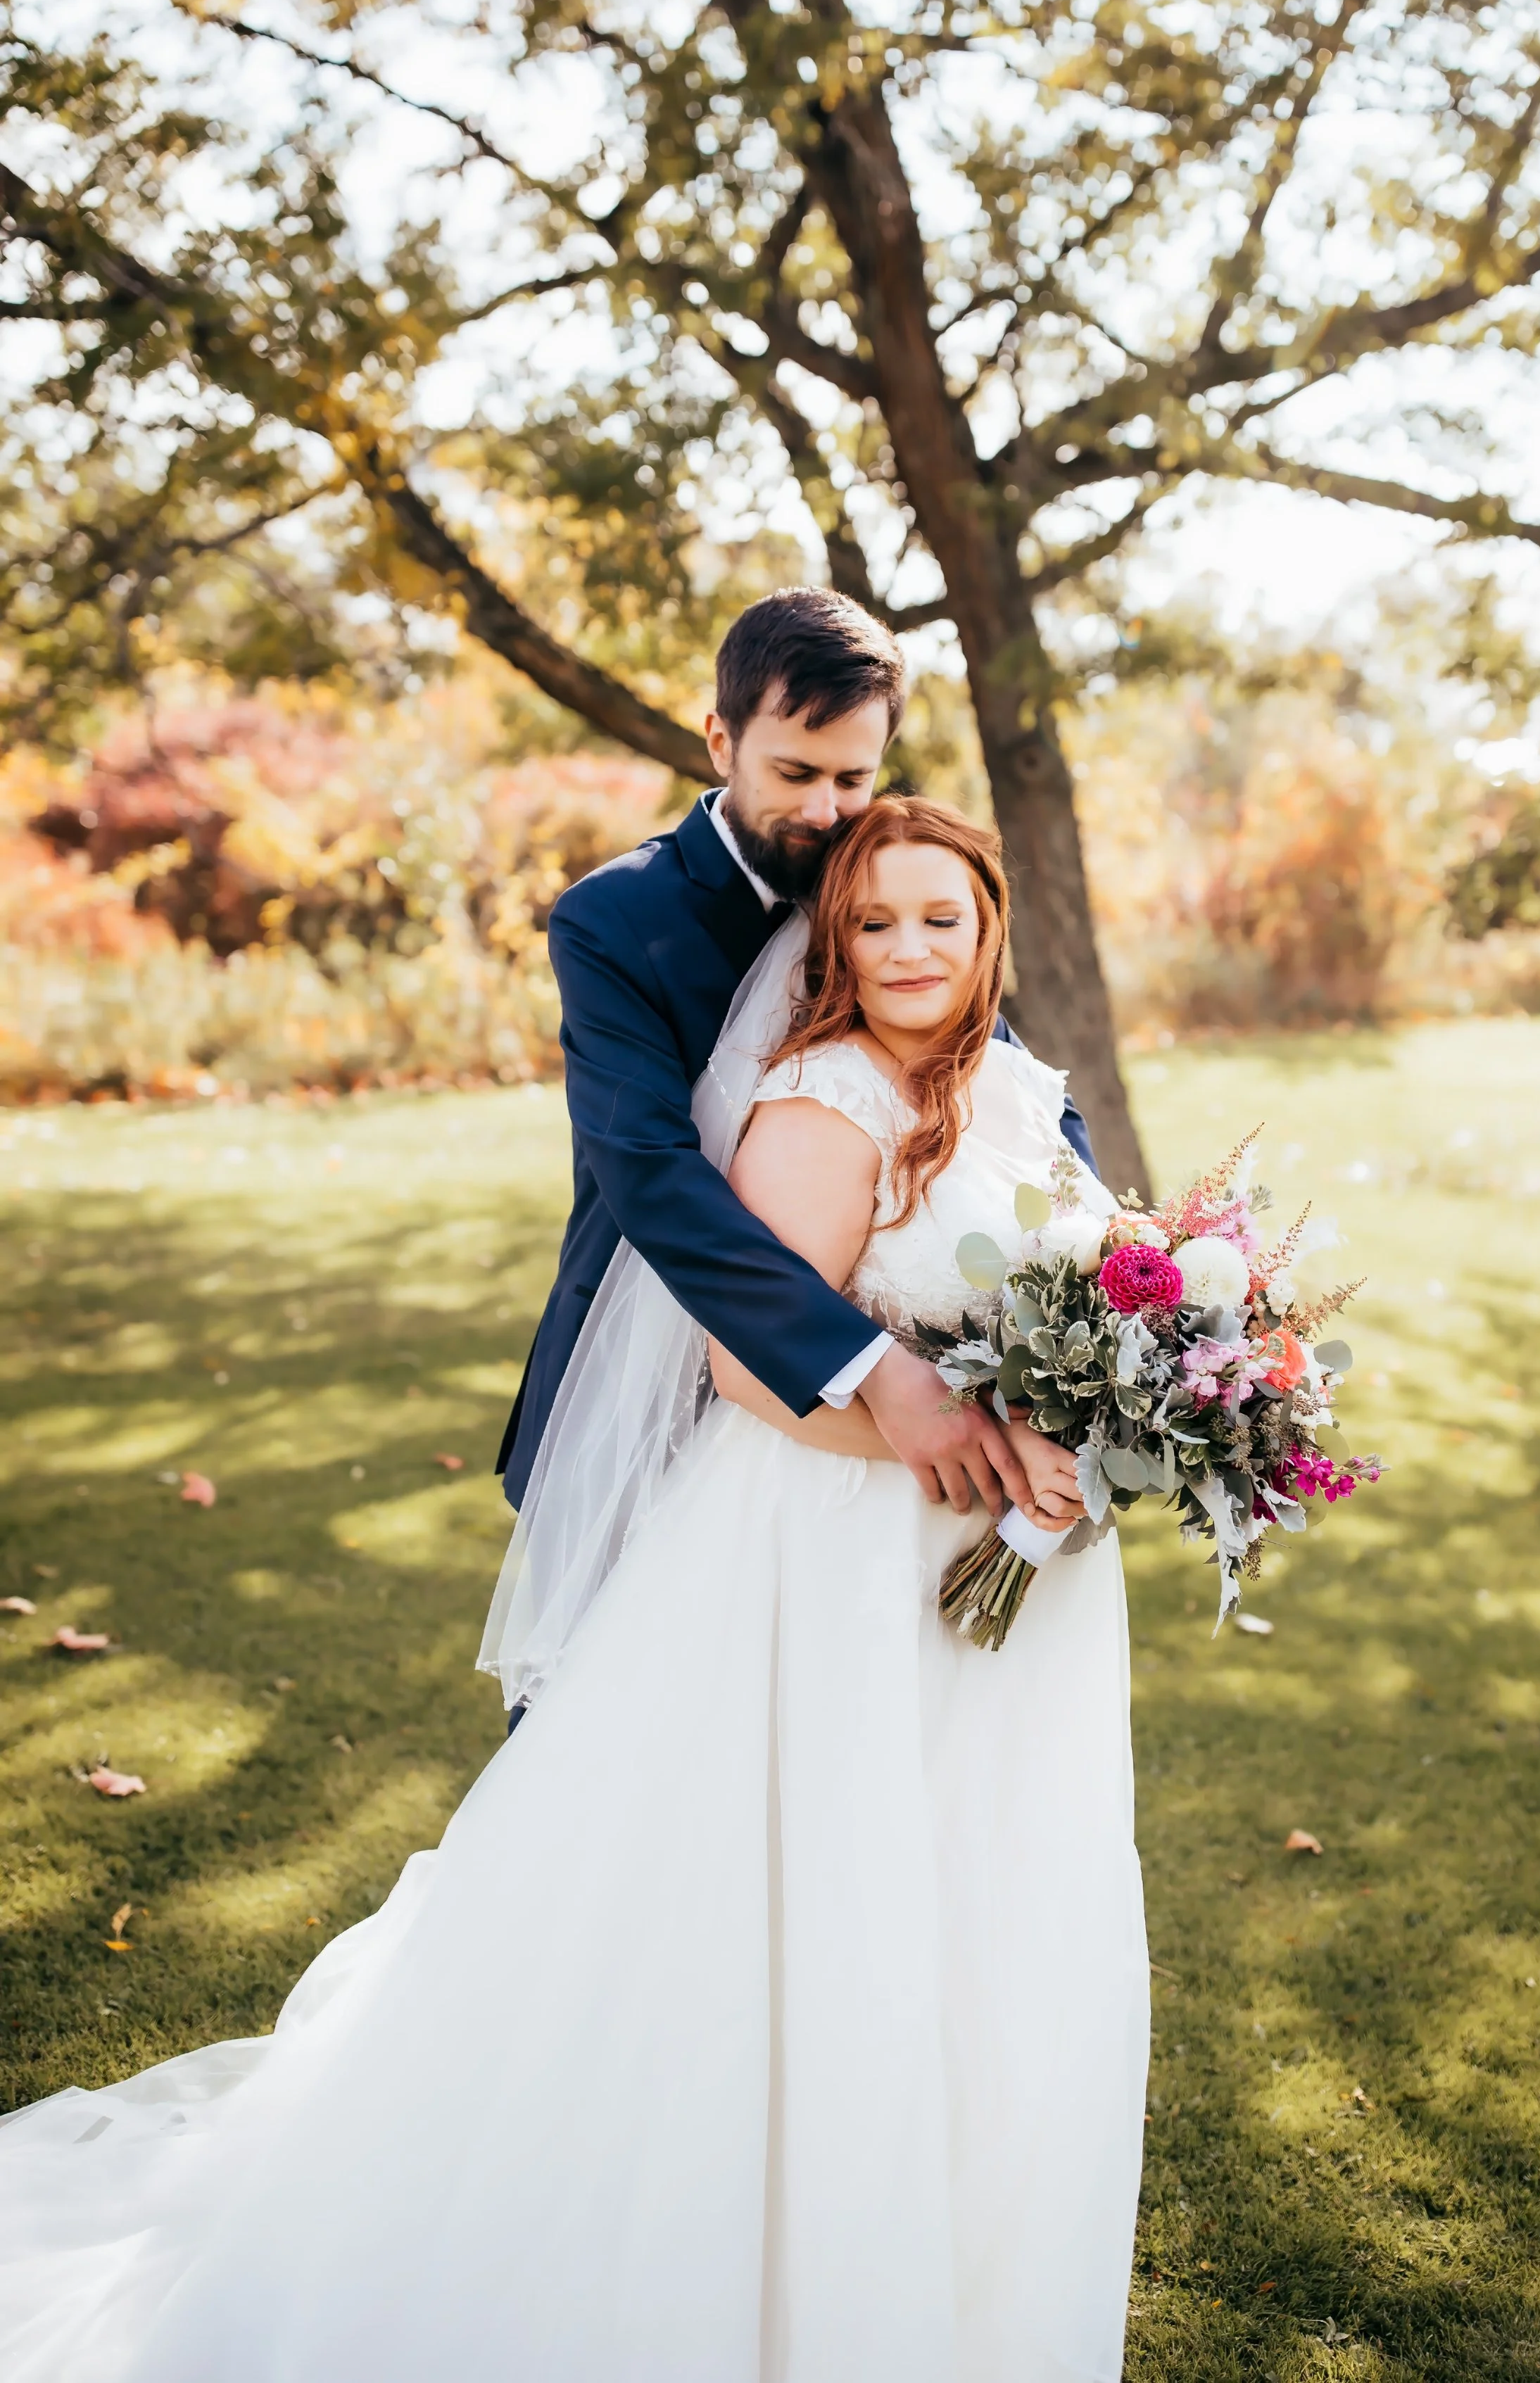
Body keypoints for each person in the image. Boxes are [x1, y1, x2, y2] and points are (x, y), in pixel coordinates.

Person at [0, 795, 1149, 2383]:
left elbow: (1091, 1306)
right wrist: (940, 1437)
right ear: (834, 937)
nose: (903, 949)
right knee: (804, 1912)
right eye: (871, 921)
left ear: (987, 930)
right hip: (822, 1567)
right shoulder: (820, 1097)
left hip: (996, 1584)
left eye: (936, 920)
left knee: (963, 1909)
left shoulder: (1017, 1090)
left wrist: (1093, 1431)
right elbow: (749, 1369)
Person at [498, 584, 1097, 1545]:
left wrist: (1109, 1293)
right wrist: (866, 1364)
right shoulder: (614, 922)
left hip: (853, 1462)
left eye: (853, 778)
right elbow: (651, 1173)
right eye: (795, 771)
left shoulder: (888, 885)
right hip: (644, 1371)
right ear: (721, 742)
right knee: (600, 1690)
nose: (826, 812)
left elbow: (1003, 1071)